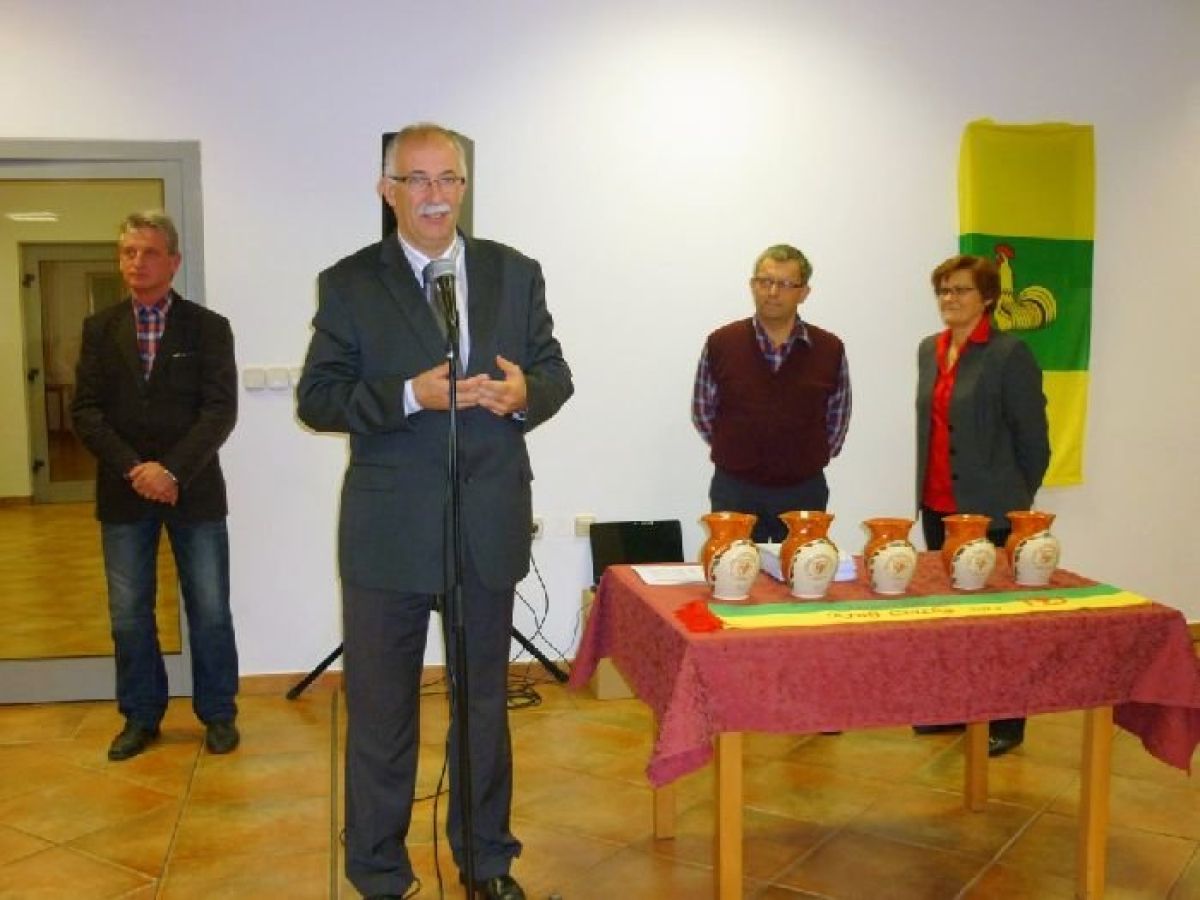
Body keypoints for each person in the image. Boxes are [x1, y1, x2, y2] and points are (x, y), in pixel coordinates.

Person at [296, 123, 573, 900]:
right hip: (388, 533)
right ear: (387, 191)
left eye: (447, 178)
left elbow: (554, 371)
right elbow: (318, 398)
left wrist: (525, 394)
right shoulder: (350, 282)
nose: (434, 195)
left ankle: (487, 862)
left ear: (464, 187)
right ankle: (380, 871)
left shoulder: (514, 273)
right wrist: (408, 397)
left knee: (483, 707)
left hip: (487, 522)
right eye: (416, 180)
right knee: (382, 712)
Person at [71, 210, 240, 762]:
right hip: (123, 492)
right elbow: (86, 412)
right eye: (128, 252)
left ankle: (218, 713)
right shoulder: (99, 329)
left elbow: (219, 411)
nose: (136, 262)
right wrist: (135, 469)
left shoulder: (208, 327)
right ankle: (141, 716)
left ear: (173, 261)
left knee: (210, 609)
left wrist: (170, 470)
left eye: (148, 252)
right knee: (128, 613)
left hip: (194, 488)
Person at [914, 253, 1050, 757]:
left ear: (988, 297)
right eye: (944, 290)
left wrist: (1014, 502)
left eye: (961, 290)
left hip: (992, 512)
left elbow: (1033, 440)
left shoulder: (1010, 354)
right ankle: (955, 709)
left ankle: (1007, 720)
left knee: (1000, 621)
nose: (950, 299)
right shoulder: (930, 349)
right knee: (950, 613)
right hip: (938, 507)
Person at [692, 244, 851, 543]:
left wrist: (799, 458)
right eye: (765, 282)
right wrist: (739, 450)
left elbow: (838, 419)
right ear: (753, 285)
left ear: (804, 293)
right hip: (735, 488)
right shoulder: (721, 343)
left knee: (801, 570)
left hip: (803, 490)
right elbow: (702, 412)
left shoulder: (829, 349)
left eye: (785, 284)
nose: (773, 292)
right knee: (732, 567)